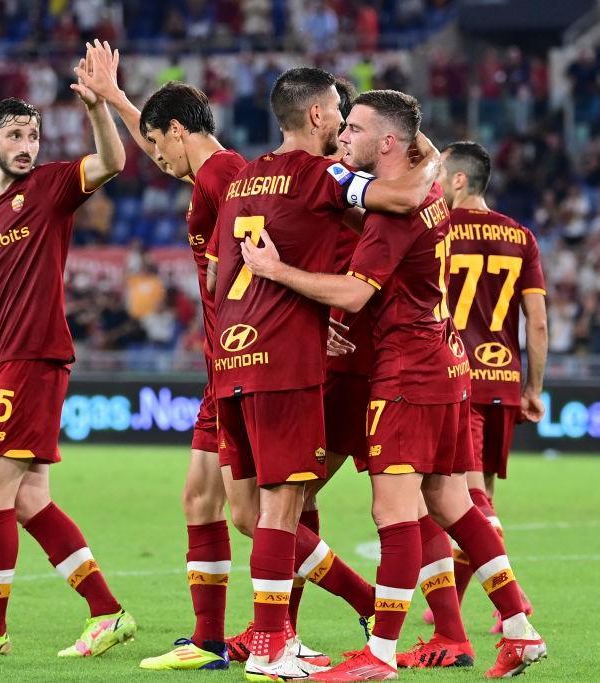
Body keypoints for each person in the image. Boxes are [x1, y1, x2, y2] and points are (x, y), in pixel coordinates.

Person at [241, 91, 546, 680]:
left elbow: (356, 294)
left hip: (406, 370)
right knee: (453, 502)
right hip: (448, 360)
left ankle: (378, 655)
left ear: (386, 144)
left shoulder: (391, 213)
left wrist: (275, 271)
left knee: (394, 513)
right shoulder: (425, 188)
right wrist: (420, 149)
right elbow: (421, 147)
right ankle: (518, 624)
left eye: (354, 128)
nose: (343, 136)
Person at [210, 69, 442, 680]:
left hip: (230, 359)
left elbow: (214, 277)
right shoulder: (324, 174)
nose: (342, 125)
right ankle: (271, 645)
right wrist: (434, 154)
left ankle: (283, 635)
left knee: (263, 508)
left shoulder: (240, 182)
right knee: (282, 506)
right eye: (339, 112)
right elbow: (404, 198)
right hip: (286, 362)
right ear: (316, 116)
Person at [0, 72, 135, 658]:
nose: (27, 144)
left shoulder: (51, 186)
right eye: (16, 134)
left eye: (34, 134)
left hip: (33, 357)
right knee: (28, 497)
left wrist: (95, 109)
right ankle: (108, 613)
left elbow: (111, 161)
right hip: (5, 360)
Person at [75, 40, 249, 671]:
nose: (157, 159)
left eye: (160, 143)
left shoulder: (226, 176)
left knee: (256, 516)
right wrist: (115, 97)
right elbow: (156, 150)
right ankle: (208, 640)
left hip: (245, 364)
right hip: (219, 367)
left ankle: (363, 600)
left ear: (178, 132)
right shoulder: (210, 173)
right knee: (200, 500)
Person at [421, 140, 548, 639]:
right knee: (478, 496)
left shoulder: (440, 229)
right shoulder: (521, 236)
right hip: (505, 380)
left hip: (457, 377)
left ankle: (512, 602)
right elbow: (536, 323)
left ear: (458, 180)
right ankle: (453, 602)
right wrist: (533, 387)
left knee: (464, 498)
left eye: (439, 174)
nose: (432, 182)